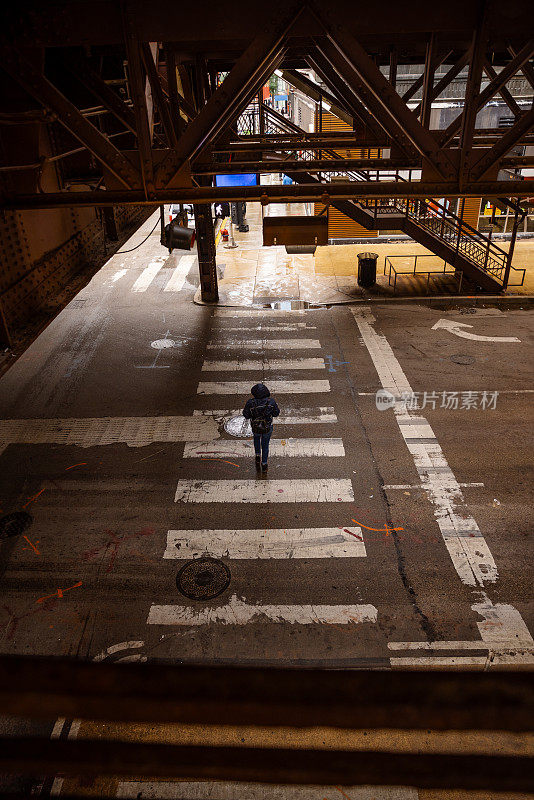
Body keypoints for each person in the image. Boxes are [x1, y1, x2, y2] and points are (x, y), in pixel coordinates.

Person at [243, 383, 280, 472]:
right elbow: (276, 413)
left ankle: (257, 455)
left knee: (256, 439)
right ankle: (264, 464)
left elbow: (246, 415)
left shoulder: (250, 402)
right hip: (267, 426)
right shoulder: (271, 402)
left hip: (255, 426)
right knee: (265, 444)